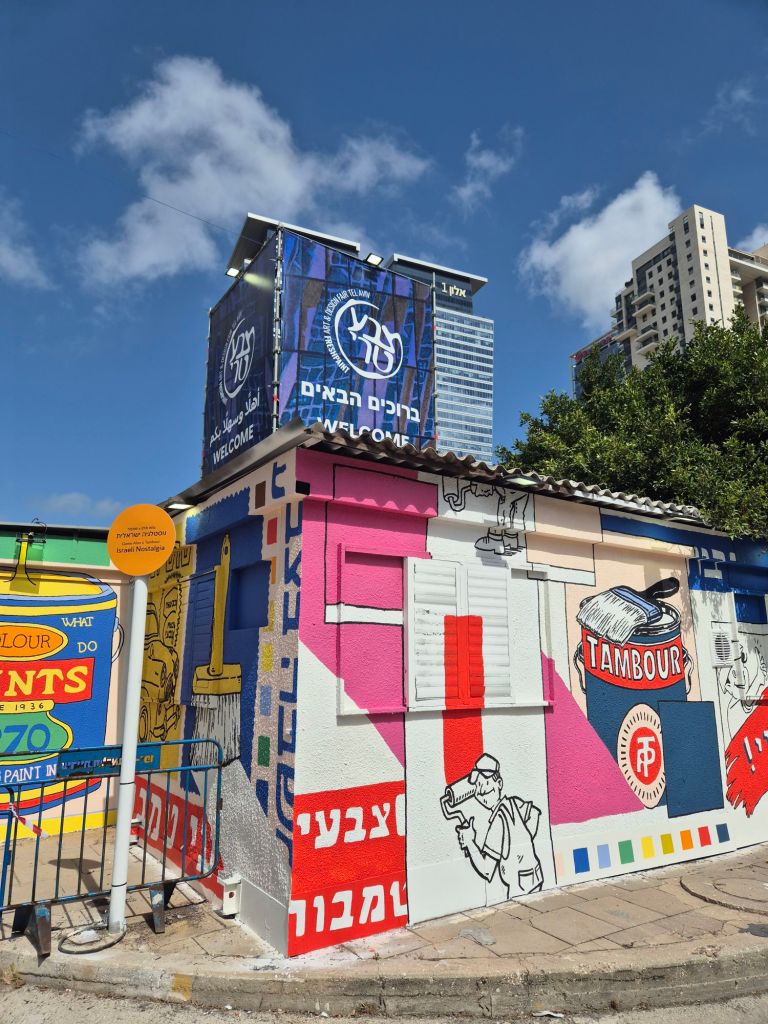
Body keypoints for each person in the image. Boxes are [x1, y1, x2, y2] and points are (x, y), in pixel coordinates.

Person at [456, 753, 543, 898]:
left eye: (486, 784)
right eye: (478, 785)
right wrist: (522, 842)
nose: (481, 791)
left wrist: (470, 842)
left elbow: (487, 871)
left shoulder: (498, 821)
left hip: (520, 886)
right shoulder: (513, 803)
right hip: (534, 878)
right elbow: (534, 814)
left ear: (499, 784)